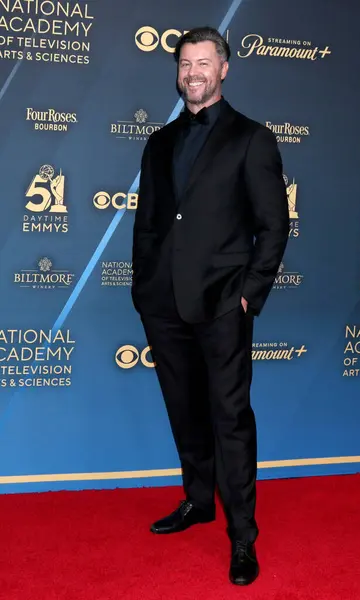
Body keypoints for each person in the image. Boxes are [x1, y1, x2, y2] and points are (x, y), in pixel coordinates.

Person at [131, 26, 289, 586]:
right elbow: (148, 222)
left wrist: (249, 293)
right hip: (163, 303)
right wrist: (141, 285)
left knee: (230, 418)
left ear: (223, 70)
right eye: (184, 64)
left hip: (223, 303)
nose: (192, 72)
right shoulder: (159, 142)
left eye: (202, 62)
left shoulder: (252, 138)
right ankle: (198, 501)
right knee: (185, 411)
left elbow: (274, 226)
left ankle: (242, 536)